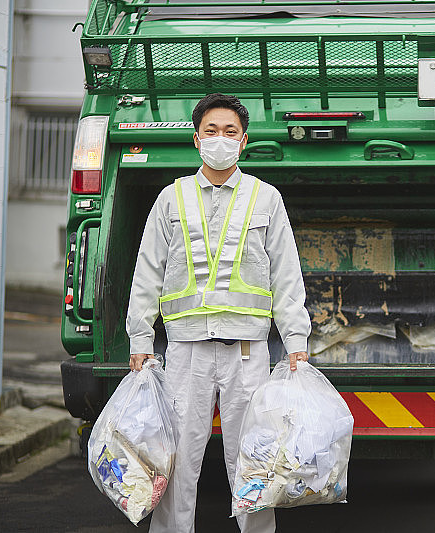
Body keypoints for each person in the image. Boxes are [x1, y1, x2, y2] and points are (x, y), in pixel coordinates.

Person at [126, 93, 311, 533]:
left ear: (243, 141)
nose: (221, 139)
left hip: (247, 353)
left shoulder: (266, 199)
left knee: (254, 463)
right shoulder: (171, 199)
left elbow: (286, 274)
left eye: (230, 132)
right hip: (186, 353)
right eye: (212, 131)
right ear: (196, 139)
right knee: (175, 464)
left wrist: (296, 342)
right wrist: (139, 338)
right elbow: (148, 270)